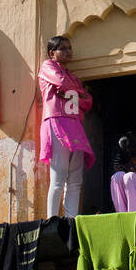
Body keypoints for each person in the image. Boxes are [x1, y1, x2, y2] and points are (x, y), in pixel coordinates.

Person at [38, 35, 94, 217]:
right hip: (57, 121)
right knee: (58, 177)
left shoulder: (74, 78)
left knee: (76, 180)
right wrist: (77, 93)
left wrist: (70, 92)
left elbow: (88, 102)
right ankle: (52, 221)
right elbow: (61, 83)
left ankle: (71, 220)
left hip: (75, 126)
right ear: (52, 53)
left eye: (70, 48)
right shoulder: (47, 66)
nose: (69, 52)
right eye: (64, 48)